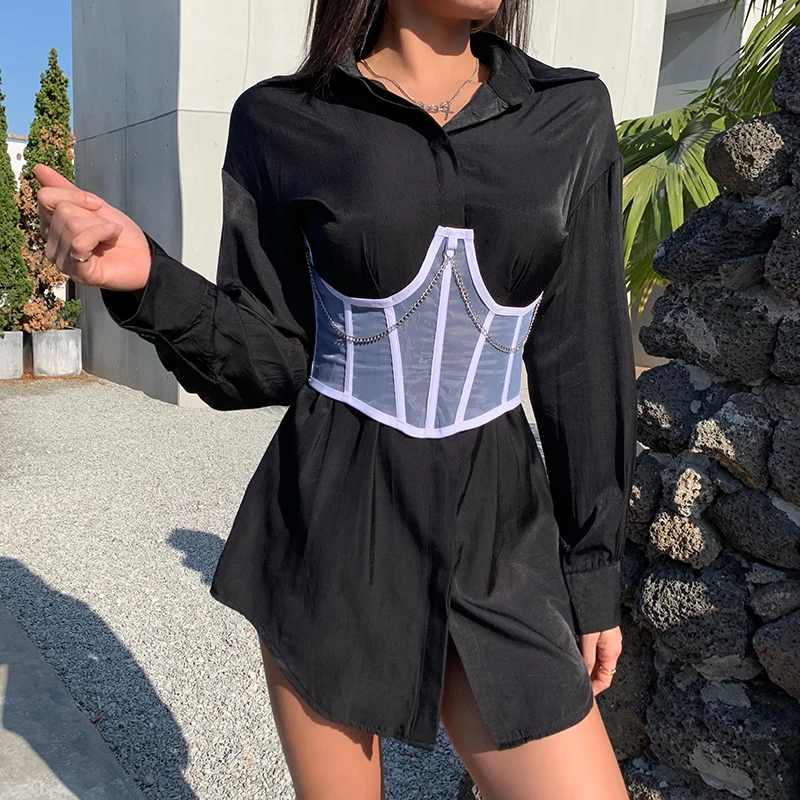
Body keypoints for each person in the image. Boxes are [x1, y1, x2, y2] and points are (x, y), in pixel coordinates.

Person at [34, 0, 638, 797]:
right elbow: (274, 355)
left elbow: (584, 355)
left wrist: (593, 570)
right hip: (333, 520)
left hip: (502, 531)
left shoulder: (571, 113)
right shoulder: (283, 120)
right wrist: (150, 277)